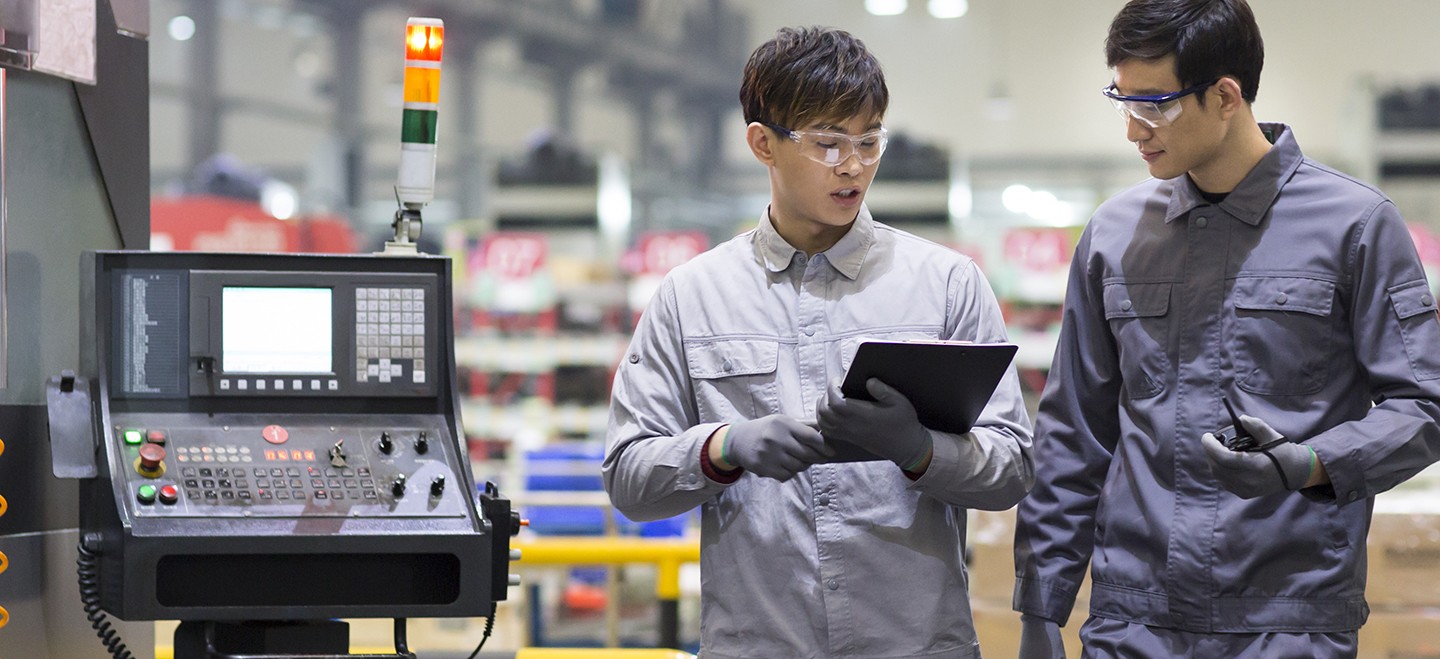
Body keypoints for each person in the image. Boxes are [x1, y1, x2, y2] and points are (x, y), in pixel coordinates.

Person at [1012, 0, 1440, 656]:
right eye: (1123, 102)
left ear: (1225, 96)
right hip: (1135, 621)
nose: (1134, 131)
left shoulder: (1355, 227)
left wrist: (1314, 463)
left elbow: (1424, 405)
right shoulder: (1115, 236)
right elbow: (1074, 431)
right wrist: (1041, 606)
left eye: (1153, 105)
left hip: (1289, 618)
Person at [604, 25, 1034, 658]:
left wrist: (919, 450)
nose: (854, 165)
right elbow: (629, 479)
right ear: (763, 144)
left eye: (868, 140)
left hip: (915, 645)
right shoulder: (690, 297)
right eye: (828, 143)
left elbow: (1012, 468)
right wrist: (724, 448)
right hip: (762, 643)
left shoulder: (945, 285)